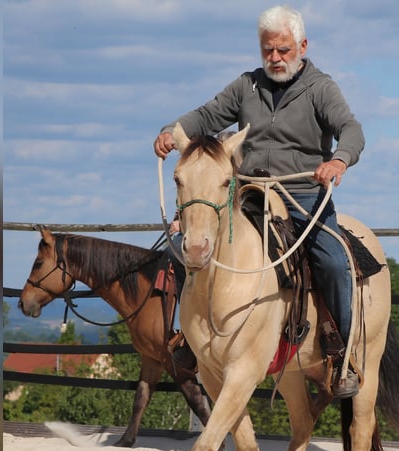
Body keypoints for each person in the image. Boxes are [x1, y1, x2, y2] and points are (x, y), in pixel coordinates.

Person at [154, 5, 364, 399]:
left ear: (302, 46)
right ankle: (191, 338)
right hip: (248, 194)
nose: (275, 58)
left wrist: (339, 159)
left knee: (335, 262)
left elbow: (350, 128)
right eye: (268, 50)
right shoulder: (245, 86)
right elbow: (205, 116)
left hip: (303, 197)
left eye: (284, 50)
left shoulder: (321, 89)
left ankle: (342, 354)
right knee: (182, 246)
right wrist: (171, 131)